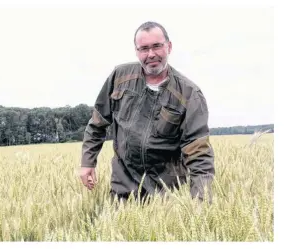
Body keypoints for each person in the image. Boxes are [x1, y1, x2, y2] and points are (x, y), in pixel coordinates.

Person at [79, 21, 215, 204]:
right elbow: (98, 123)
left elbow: (199, 153)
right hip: (123, 189)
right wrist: (88, 161)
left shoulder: (189, 94)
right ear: (136, 51)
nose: (151, 54)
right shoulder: (119, 77)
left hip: (167, 194)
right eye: (144, 48)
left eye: (157, 46)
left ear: (169, 47)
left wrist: (201, 202)